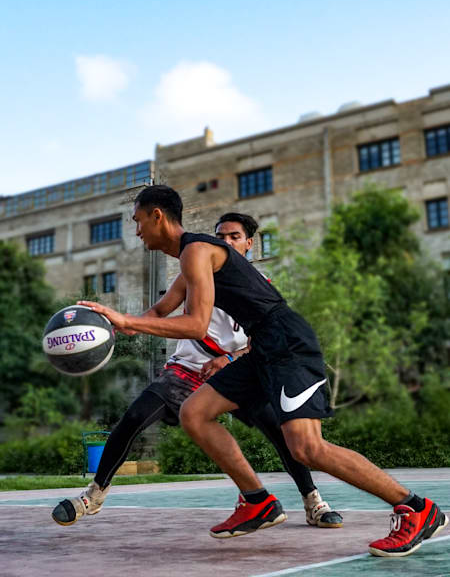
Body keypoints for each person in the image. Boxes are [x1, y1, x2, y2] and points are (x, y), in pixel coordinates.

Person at [65, 185, 447, 557]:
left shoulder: (197, 250)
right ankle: (257, 501)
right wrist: (114, 326)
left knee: (308, 447)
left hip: (286, 343)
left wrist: (129, 319)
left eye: (138, 221)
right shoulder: (190, 258)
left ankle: (415, 508)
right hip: (263, 346)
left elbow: (196, 325)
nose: (137, 231)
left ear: (157, 216)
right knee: (195, 413)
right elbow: (160, 313)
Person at [52, 210, 342, 530]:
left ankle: (312, 500)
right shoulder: (193, 268)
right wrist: (127, 325)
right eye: (220, 236)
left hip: (241, 371)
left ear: (249, 244)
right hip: (189, 365)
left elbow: (265, 341)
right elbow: (162, 309)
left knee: (281, 431)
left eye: (234, 236)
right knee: (135, 415)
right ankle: (93, 494)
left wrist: (230, 360)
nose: (225, 241)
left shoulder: (261, 287)